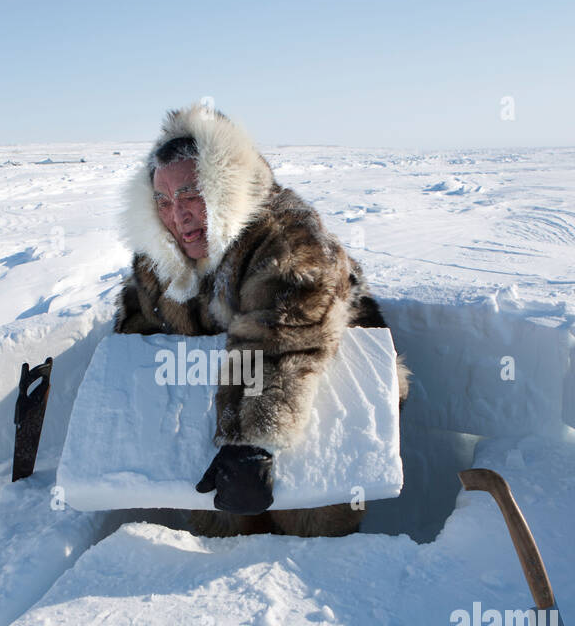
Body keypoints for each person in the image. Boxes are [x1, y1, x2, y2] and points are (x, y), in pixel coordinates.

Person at [114, 103, 409, 537]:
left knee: (310, 530)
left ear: (223, 184)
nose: (178, 215)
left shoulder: (284, 234)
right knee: (217, 531)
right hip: (226, 421)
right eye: (163, 199)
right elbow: (138, 330)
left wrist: (251, 442)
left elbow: (282, 339)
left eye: (190, 193)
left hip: (327, 400)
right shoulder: (159, 261)